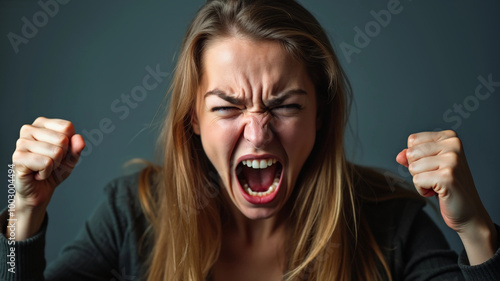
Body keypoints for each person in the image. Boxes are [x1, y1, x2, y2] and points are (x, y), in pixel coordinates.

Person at [1, 0, 499, 280]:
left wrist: (477, 231)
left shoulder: (391, 220)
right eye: (227, 107)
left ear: (320, 114)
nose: (258, 133)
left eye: (284, 105)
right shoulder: (132, 212)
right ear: (192, 119)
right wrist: (21, 215)